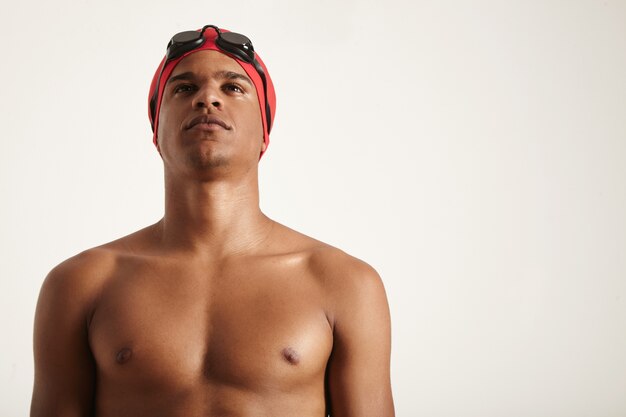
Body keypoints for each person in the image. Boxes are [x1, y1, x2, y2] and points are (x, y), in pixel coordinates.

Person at [31, 25, 394, 417]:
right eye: (184, 88)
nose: (207, 98)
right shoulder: (80, 285)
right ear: (156, 129)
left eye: (233, 87)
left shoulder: (344, 284)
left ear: (264, 129)